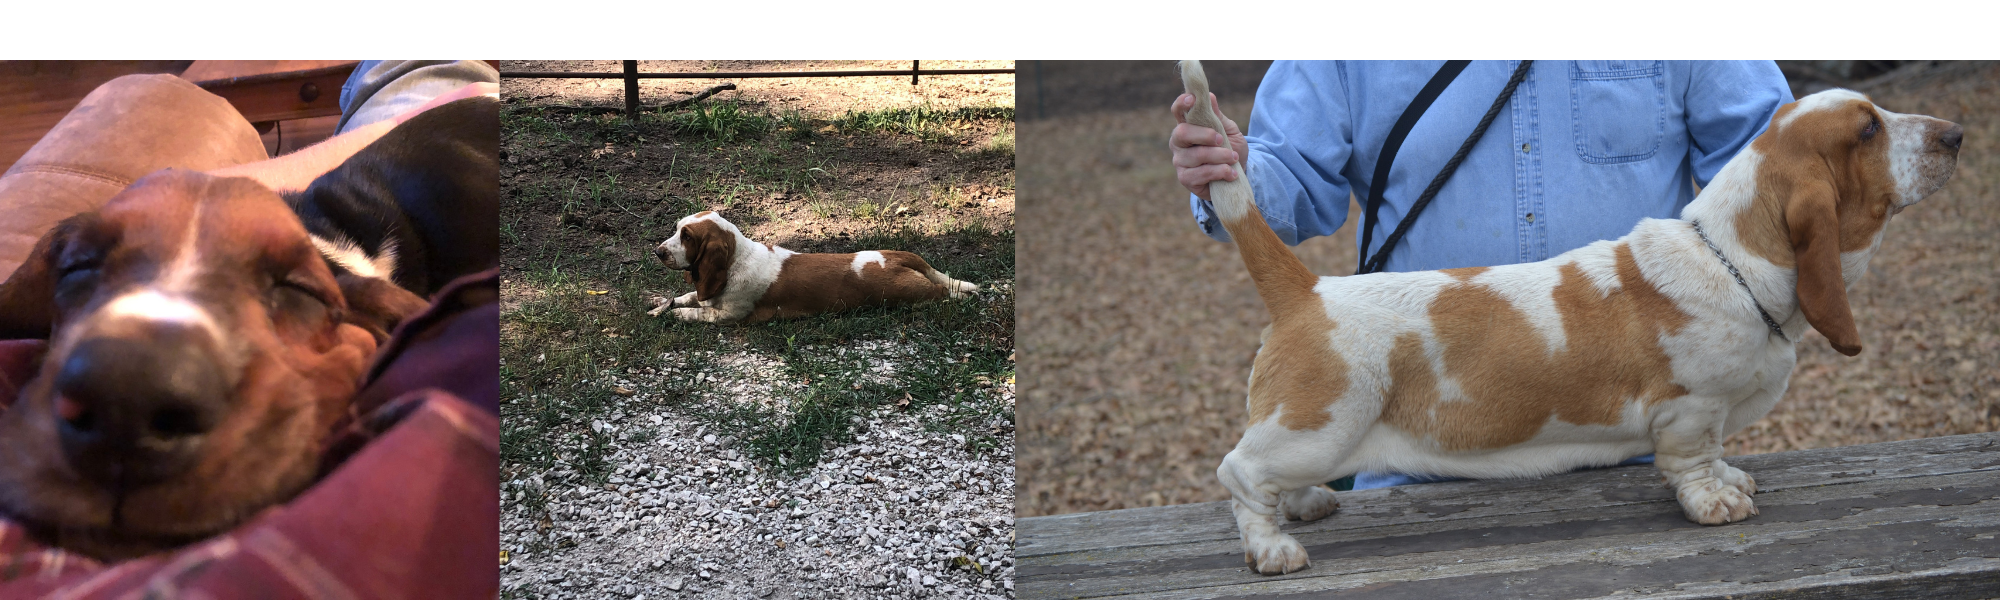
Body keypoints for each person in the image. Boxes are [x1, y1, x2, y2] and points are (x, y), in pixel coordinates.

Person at [1169, 60, 1793, 489]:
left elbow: (1781, 164)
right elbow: (1290, 181)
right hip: (1420, 459)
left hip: (1646, 456)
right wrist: (1233, 167)